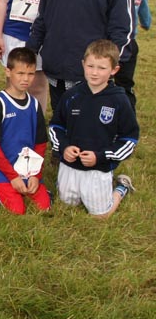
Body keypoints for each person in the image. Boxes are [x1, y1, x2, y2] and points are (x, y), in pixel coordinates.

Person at [49, 40, 138, 218]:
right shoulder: (71, 95)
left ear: (114, 70)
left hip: (98, 166)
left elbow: (129, 140)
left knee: (100, 215)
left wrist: (101, 156)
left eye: (102, 68)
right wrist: (64, 147)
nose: (95, 72)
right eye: (90, 66)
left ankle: (121, 187)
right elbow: (55, 126)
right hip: (70, 164)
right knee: (67, 205)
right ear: (83, 65)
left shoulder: (119, 100)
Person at [0, 48, 50, 215]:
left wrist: (35, 175)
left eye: (30, 74)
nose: (25, 79)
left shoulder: (34, 105)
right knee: (17, 210)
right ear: (8, 71)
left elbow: (40, 144)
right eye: (20, 73)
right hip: (2, 172)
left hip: (28, 170)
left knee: (44, 207)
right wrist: (12, 177)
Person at [118, 0, 151, 110]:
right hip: (111, 40)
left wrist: (146, 22)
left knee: (125, 80)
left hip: (130, 41)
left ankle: (127, 113)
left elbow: (144, 7)